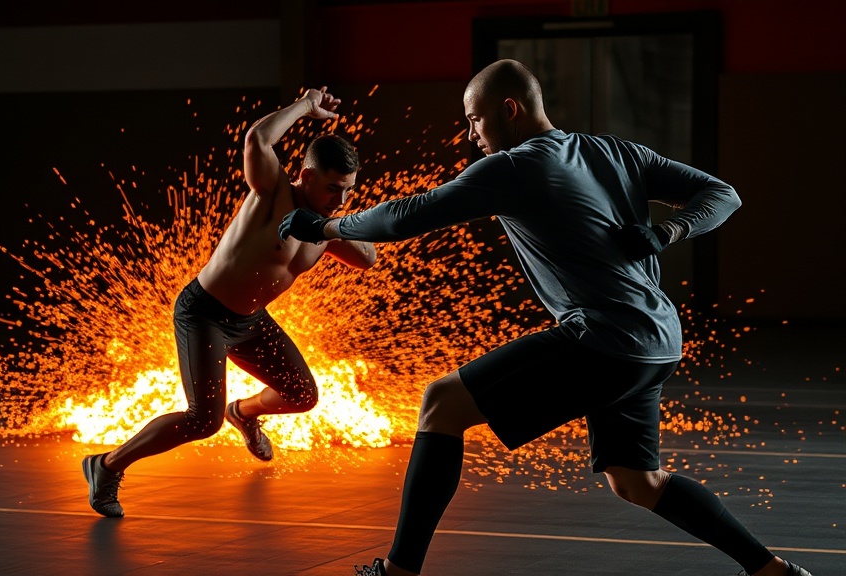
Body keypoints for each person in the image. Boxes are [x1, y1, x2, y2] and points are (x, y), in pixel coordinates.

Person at [280, 60, 812, 576]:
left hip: (604, 339)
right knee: (637, 483)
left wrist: (326, 227)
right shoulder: (615, 151)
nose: (471, 135)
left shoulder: (515, 166)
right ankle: (772, 571)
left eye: (475, 119)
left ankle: (398, 572)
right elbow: (722, 193)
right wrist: (670, 232)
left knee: (441, 402)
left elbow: (409, 214)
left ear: (509, 109)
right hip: (657, 341)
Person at [82, 87, 377, 518]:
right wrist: (303, 107)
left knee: (301, 394)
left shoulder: (324, 226)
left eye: (349, 190)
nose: (342, 199)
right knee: (203, 420)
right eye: (334, 188)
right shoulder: (272, 192)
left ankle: (244, 413)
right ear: (307, 177)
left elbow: (366, 258)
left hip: (251, 321)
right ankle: (105, 466)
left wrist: (335, 223)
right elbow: (258, 139)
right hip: (204, 313)